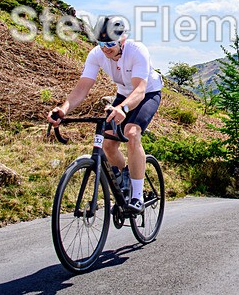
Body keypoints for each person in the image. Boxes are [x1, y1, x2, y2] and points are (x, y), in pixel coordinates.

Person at [47, 16, 163, 213]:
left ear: (122, 40)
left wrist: (123, 109)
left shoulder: (137, 51)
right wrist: (63, 109)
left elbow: (140, 90)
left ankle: (137, 197)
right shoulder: (96, 55)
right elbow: (82, 89)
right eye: (101, 43)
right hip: (124, 95)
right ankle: (124, 178)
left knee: (132, 133)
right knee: (108, 144)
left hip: (147, 94)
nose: (106, 48)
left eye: (110, 43)